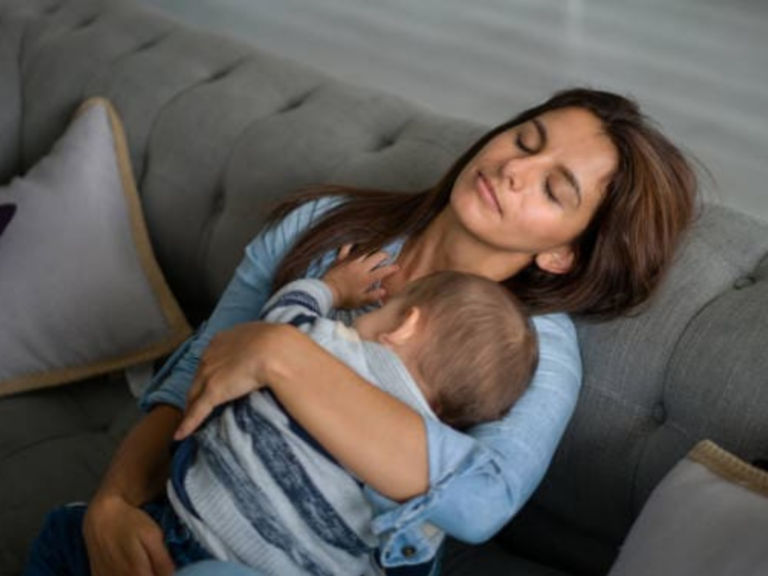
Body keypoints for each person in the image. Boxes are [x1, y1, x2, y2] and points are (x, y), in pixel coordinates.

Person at [81, 88, 698, 576]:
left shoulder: (533, 349)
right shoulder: (325, 229)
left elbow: (481, 501)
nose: (515, 167)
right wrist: (112, 503)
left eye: (552, 189)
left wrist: (283, 354)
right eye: (524, 140)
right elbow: (196, 376)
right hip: (193, 510)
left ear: (563, 254)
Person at [24, 261, 538, 576]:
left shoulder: (326, 343)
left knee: (61, 532)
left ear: (405, 325)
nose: (362, 320)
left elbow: (280, 316)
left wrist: (331, 289)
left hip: (181, 531)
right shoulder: (426, 485)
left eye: (381, 310)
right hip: (194, 542)